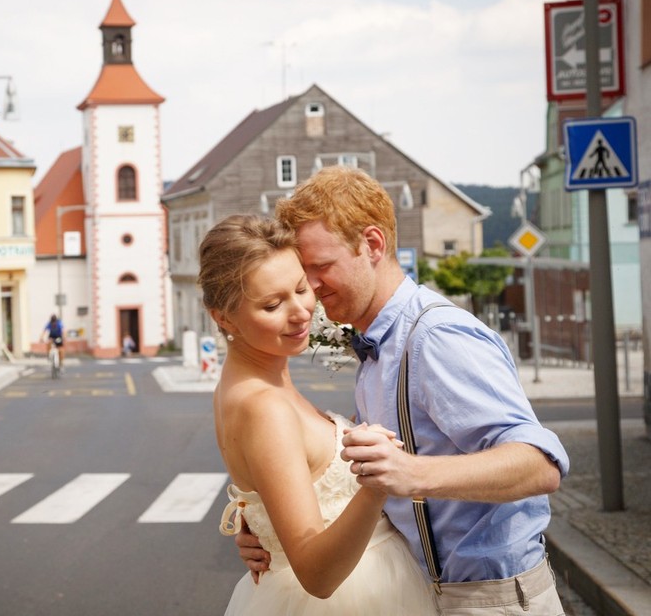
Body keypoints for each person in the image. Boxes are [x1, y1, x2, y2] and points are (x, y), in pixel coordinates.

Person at [236, 166, 570, 614]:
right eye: (304, 271)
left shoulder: (435, 336)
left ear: (372, 244)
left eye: (321, 267)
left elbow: (540, 464)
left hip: (489, 599)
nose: (311, 288)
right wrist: (269, 531)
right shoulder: (380, 342)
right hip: (434, 592)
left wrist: (412, 474)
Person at [200, 214, 435, 614]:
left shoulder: (259, 378)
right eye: (272, 304)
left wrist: (264, 527)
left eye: (300, 288)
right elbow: (317, 575)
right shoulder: (263, 406)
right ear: (223, 317)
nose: (300, 312)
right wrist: (377, 482)